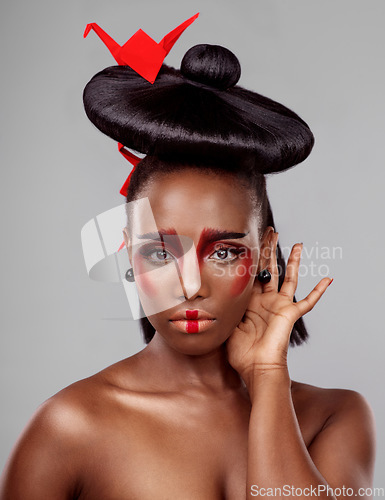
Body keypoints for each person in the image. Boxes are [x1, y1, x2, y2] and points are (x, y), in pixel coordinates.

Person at [0, 14, 376, 500]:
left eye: (223, 251)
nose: (191, 284)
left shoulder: (334, 418)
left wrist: (267, 379)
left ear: (265, 252)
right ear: (127, 251)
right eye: (160, 250)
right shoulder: (70, 428)